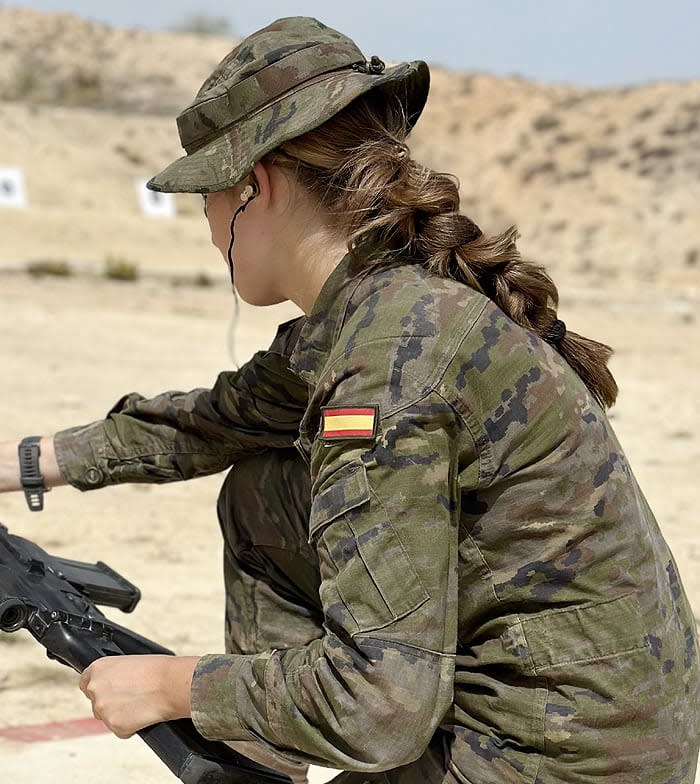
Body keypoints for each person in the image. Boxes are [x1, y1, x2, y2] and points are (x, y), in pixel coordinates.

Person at [1, 16, 698, 784]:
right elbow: (211, 421)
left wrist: (176, 687)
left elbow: (380, 704)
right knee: (266, 494)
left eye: (206, 196)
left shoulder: (387, 360)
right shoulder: (382, 305)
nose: (204, 227)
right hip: (587, 708)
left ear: (251, 187)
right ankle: (264, 763)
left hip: (571, 760)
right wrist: (29, 463)